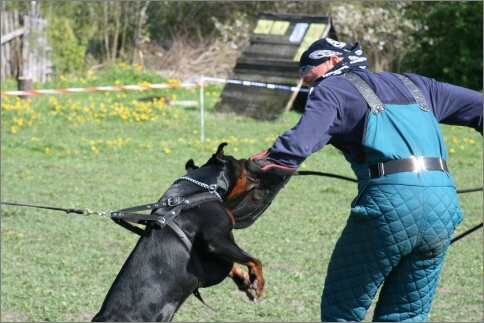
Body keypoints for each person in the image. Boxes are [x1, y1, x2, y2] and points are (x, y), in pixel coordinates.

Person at [240, 38, 483, 321]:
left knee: (342, 309)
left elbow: (294, 149)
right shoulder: (417, 85)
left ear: (331, 61)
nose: (310, 86)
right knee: (407, 313)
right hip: (444, 204)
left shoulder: (331, 88)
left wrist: (248, 169)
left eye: (310, 76)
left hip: (390, 204)